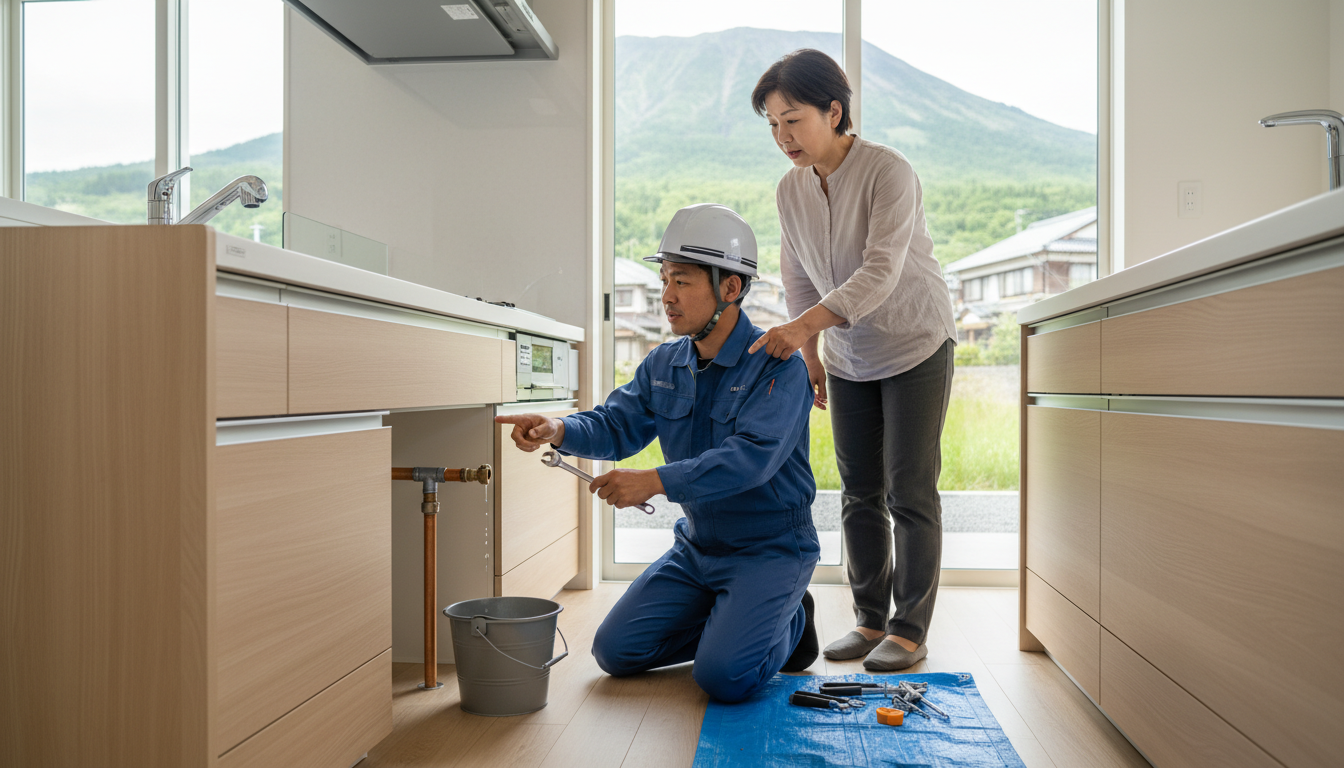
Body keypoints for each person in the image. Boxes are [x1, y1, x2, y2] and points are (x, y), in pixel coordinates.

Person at [495, 204, 820, 703]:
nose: (666, 296)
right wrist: (557, 429)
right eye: (664, 279)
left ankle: (790, 618)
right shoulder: (664, 363)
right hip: (698, 548)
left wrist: (654, 481)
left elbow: (752, 458)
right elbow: (615, 424)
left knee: (723, 678)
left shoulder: (778, 367)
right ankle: (740, 621)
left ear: (731, 287)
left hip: (770, 549)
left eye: (682, 281)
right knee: (615, 652)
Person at [747, 49, 957, 671]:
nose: (783, 136)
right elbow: (798, 276)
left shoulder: (889, 171)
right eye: (773, 125)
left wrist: (800, 329)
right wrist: (811, 354)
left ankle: (910, 629)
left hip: (915, 340)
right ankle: (869, 620)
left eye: (793, 120)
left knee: (909, 490)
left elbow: (881, 271)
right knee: (859, 491)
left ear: (834, 112)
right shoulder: (790, 189)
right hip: (846, 355)